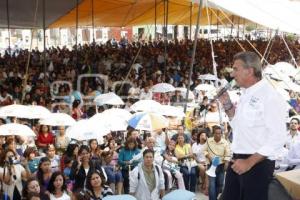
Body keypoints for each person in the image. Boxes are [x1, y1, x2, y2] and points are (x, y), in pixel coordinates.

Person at [219, 52, 287, 200]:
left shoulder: (269, 96)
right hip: (237, 160)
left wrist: (249, 162)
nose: (232, 73)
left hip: (257, 164)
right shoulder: (246, 94)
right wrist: (227, 104)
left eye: (236, 69)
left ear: (249, 71)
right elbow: (238, 127)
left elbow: (279, 136)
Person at [203, 125, 230, 200]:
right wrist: (209, 157)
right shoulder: (209, 141)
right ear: (213, 134)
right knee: (212, 185)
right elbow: (204, 150)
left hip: (221, 165)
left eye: (219, 133)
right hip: (211, 165)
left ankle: (214, 197)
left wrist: (227, 163)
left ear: (221, 134)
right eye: (216, 133)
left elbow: (228, 153)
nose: (218, 135)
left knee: (220, 184)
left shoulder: (225, 142)